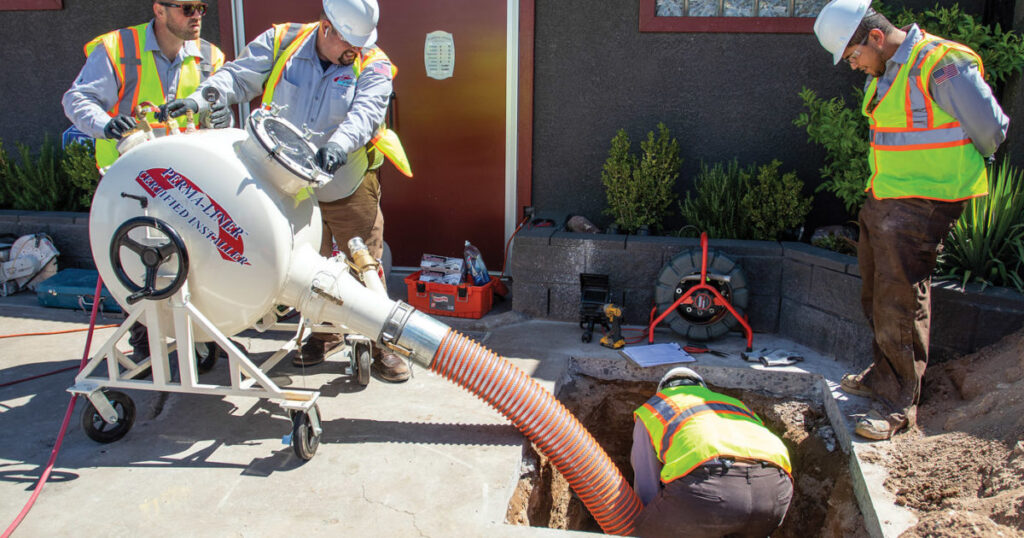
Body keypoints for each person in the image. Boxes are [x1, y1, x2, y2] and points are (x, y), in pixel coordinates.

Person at [161, 0, 411, 382]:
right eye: (349, 43)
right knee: (303, 268)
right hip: (285, 183)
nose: (355, 52)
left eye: (361, 44)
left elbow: (367, 113)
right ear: (327, 28)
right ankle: (323, 334)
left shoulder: (372, 62)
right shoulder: (283, 41)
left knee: (364, 264)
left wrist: (340, 145)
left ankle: (380, 345)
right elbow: (238, 77)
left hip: (345, 183)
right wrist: (200, 99)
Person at [813, 0, 1009, 440]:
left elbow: (991, 128)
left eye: (853, 55)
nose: (854, 65)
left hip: (926, 200)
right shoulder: (888, 72)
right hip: (888, 196)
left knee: (899, 295)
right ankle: (884, 374)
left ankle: (900, 404)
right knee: (875, 286)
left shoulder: (941, 64)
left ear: (876, 38)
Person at [62, 0, 225, 360]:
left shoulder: (211, 56)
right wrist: (106, 125)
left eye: (202, 7)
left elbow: (214, 114)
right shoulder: (118, 48)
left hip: (187, 179)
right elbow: (77, 99)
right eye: (186, 8)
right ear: (160, 10)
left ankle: (205, 335)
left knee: (198, 257)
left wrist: (220, 115)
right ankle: (146, 341)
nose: (196, 16)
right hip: (129, 179)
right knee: (139, 261)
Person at [630, 367, 793, 538]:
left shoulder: (655, 409)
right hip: (774, 493)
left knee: (644, 531)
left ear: (662, 390)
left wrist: (651, 516)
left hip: (710, 492)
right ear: (702, 388)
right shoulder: (735, 404)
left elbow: (646, 479)